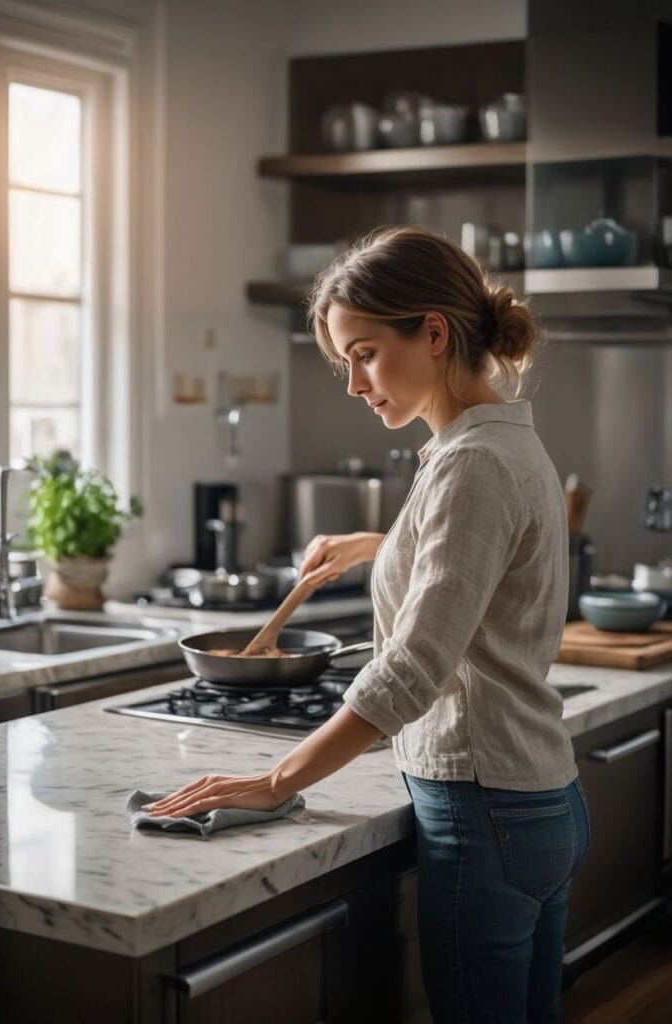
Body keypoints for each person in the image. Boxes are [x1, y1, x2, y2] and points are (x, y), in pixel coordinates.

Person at [147, 226, 591, 1023]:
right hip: (536, 799)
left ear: (432, 332)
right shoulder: (502, 440)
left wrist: (275, 782)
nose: (353, 384)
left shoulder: (469, 463)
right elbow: (480, 564)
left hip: (482, 809)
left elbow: (410, 671)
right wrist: (384, 544)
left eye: (364, 354)